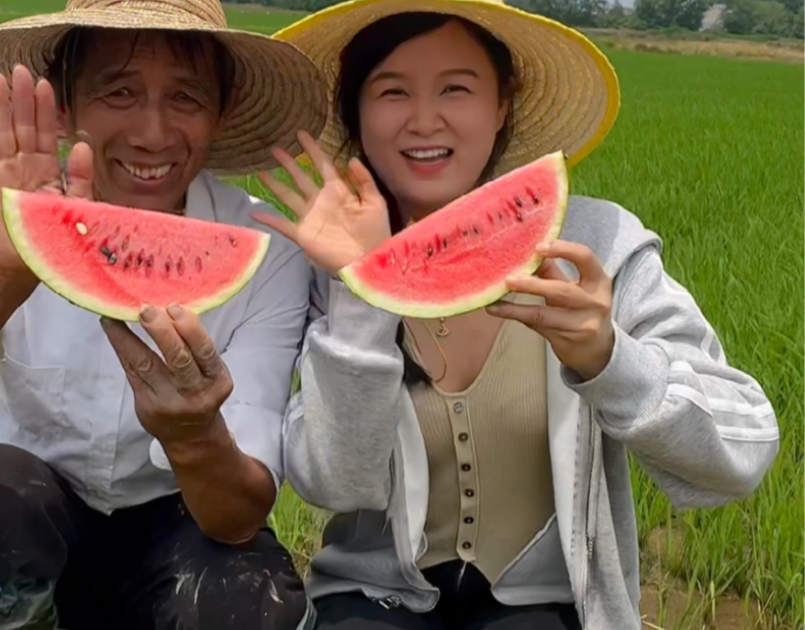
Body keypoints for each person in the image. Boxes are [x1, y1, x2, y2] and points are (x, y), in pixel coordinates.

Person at [255, 2, 781, 630]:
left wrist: (610, 360)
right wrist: (363, 295)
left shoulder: (600, 246)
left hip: (548, 605)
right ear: (357, 113)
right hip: (374, 600)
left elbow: (742, 455)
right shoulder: (324, 266)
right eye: (391, 92)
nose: (424, 120)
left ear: (503, 103)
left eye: (457, 88)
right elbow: (331, 484)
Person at [0, 0, 330, 628]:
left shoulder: (263, 253)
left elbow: (236, 517)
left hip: (180, 530)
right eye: (119, 91)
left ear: (220, 113)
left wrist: (194, 435)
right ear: (64, 105)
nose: (153, 134)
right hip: (33, 527)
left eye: (185, 98)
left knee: (246, 600)